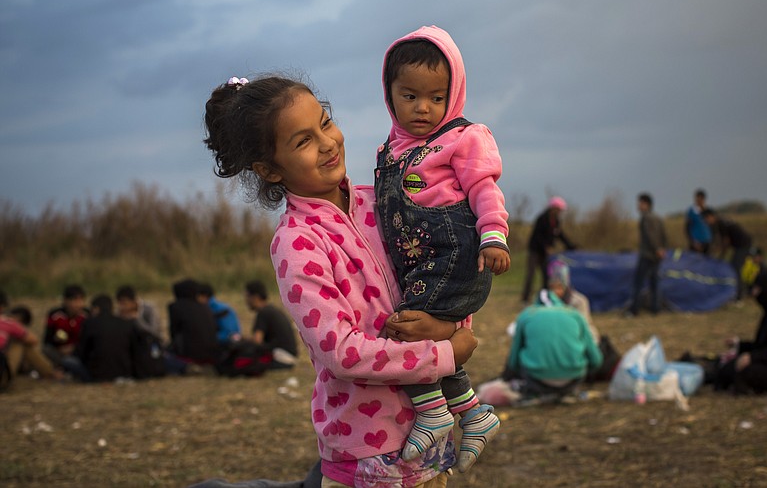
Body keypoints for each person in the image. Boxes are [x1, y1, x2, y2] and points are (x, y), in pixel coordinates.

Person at [204, 73, 478, 487]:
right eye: (303, 141)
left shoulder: (384, 198)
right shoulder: (296, 242)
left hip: (431, 429)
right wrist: (442, 355)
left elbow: (443, 272)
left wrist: (450, 327)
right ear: (269, 170)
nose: (328, 142)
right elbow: (343, 353)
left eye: (325, 123)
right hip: (366, 449)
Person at [375, 25, 505, 469]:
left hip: (456, 257)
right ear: (389, 94)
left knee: (405, 329)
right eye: (409, 96)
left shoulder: (463, 139)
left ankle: (432, 411)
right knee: (424, 334)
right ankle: (473, 412)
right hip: (420, 264)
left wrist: (494, 236)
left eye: (435, 97)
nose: (423, 109)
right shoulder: (391, 150)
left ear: (453, 94)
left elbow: (485, 190)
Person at [503, 288, 603, 403]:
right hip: (573, 378)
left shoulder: (526, 315)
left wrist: (513, 374)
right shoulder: (574, 314)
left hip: (537, 379)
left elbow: (514, 358)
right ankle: (566, 392)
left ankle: (536, 393)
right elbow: (595, 358)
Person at [713, 264, 767, 394]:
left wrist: (753, 358)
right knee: (728, 368)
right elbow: (763, 345)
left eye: (757, 289)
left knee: (747, 371)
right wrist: (739, 345)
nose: (754, 293)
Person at [521, 196, 576, 303]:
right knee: (530, 275)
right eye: (559, 209)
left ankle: (545, 297)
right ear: (553, 208)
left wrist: (571, 246)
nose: (560, 212)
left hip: (546, 253)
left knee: (546, 275)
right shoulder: (542, 219)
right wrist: (545, 247)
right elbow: (537, 236)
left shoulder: (556, 221)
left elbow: (560, 235)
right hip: (535, 251)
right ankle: (525, 299)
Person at [75, 294, 138, 382]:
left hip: (95, 374)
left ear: (96, 308)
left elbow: (82, 352)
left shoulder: (89, 323)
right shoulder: (125, 323)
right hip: (124, 372)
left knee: (68, 362)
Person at [624, 193, 667, 317]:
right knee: (655, 283)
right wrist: (662, 249)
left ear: (645, 204)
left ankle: (634, 309)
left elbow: (650, 236)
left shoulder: (646, 218)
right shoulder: (658, 218)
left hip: (647, 255)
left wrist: (656, 249)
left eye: (640, 203)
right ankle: (655, 308)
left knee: (638, 283)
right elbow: (664, 235)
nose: (638, 206)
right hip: (657, 256)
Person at [166, 278, 219, 374]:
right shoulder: (205, 307)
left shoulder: (175, 307)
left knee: (163, 357)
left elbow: (174, 332)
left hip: (189, 355)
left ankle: (186, 367)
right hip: (211, 355)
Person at [244, 280, 298, 368]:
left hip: (280, 357)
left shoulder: (263, 313)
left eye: (247, 296)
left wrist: (242, 340)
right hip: (290, 356)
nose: (246, 300)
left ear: (255, 297)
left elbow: (257, 340)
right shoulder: (272, 310)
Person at [703, 208, 753, 302]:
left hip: (743, 245)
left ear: (711, 216)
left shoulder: (720, 223)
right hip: (740, 245)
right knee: (734, 265)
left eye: (706, 219)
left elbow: (726, 241)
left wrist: (722, 255)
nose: (706, 222)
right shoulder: (721, 222)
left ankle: (739, 294)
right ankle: (740, 291)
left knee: (735, 267)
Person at [1, 305, 61, 380]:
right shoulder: (8, 322)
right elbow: (34, 340)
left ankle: (49, 371)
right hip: (2, 378)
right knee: (21, 343)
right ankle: (50, 372)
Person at [42, 284, 90, 368]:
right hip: (59, 352)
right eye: (75, 300)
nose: (78, 304)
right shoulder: (55, 315)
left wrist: (74, 348)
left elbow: (89, 340)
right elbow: (47, 340)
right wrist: (58, 344)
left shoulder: (87, 315)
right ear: (65, 301)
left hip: (79, 352)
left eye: (81, 300)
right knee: (46, 350)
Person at [196, 282, 243, 347]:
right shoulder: (215, 308)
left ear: (204, 296)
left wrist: (206, 339)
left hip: (227, 345)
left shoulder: (220, 310)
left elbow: (230, 333)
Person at [685, 188, 712, 254]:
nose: (699, 201)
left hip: (707, 241)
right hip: (696, 242)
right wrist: (693, 241)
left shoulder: (708, 210)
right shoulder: (692, 211)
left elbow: (712, 225)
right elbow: (687, 227)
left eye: (701, 199)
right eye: (698, 199)